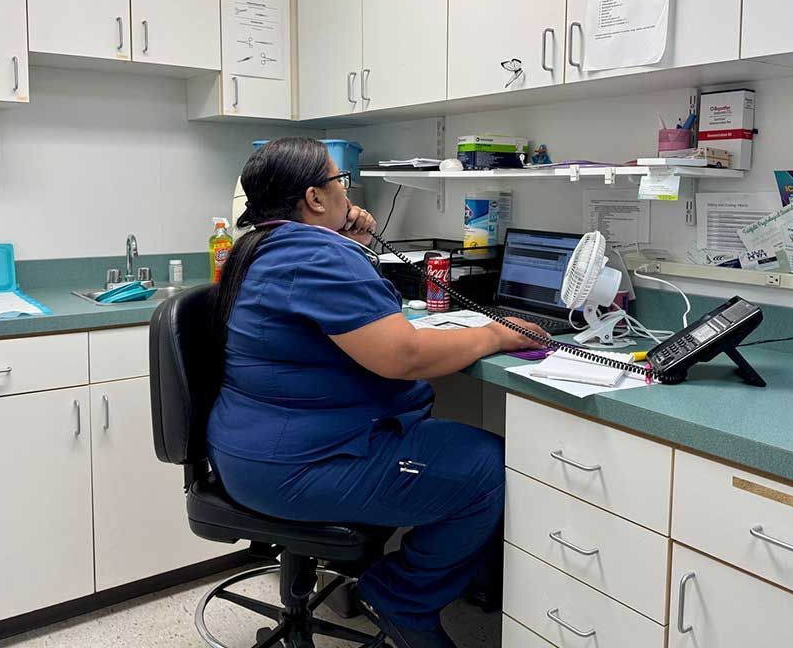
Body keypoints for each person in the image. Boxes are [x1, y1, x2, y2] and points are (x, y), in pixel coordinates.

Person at [207, 137, 547, 648]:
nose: (347, 193)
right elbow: (403, 355)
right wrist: (498, 334)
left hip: (251, 453)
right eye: (339, 182)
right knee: (492, 468)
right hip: (300, 465)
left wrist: (350, 240)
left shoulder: (262, 245)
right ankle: (403, 595)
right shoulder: (314, 255)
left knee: (463, 451)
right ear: (315, 199)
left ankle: (433, 584)